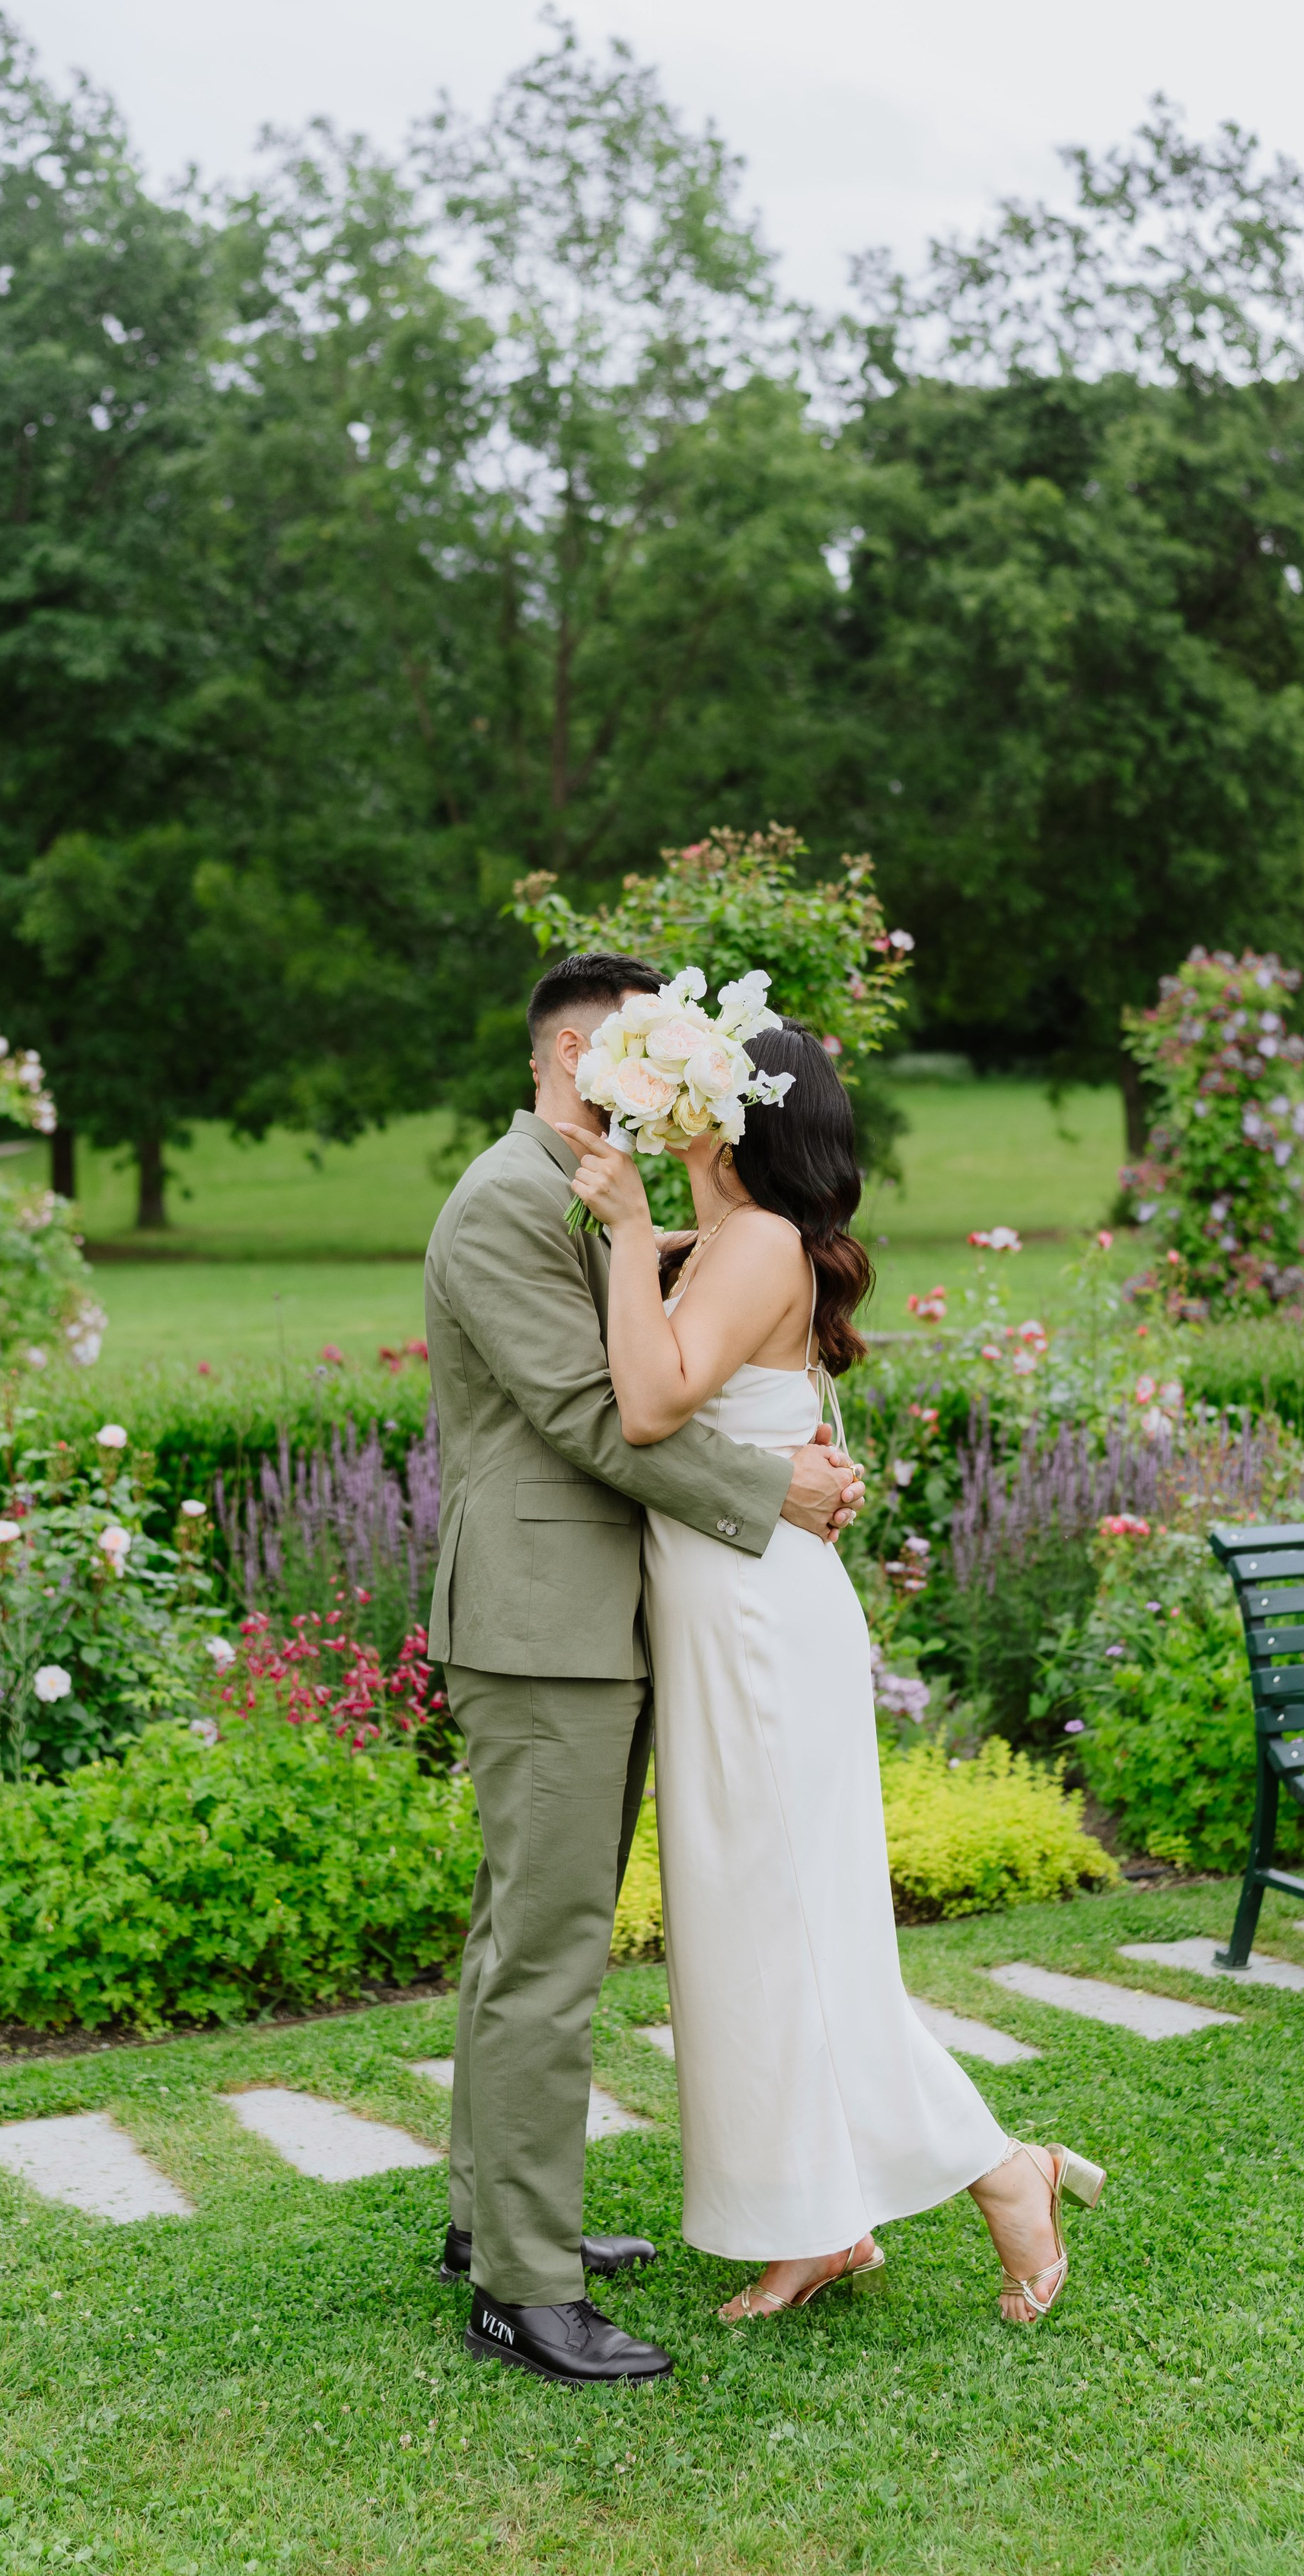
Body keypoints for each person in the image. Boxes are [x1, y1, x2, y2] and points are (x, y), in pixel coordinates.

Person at [556, 1018, 1104, 2326]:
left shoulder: (753, 1244)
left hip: (756, 1633)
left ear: (734, 1116)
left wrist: (633, 1235)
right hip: (726, 1623)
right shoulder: (734, 1243)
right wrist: (654, 1246)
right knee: (746, 1946)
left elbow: (647, 1407)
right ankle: (817, 2225)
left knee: (800, 1941)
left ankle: (1000, 2167)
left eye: (692, 1086)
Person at [423, 955, 867, 2388]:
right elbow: (590, 1417)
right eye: (649, 1055)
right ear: (574, 1056)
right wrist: (771, 1492)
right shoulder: (501, 1201)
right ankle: (523, 2289)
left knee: (524, 1942)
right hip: (541, 1624)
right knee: (544, 1956)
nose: (675, 1081)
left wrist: (675, 1253)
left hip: (593, 1620)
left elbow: (675, 1333)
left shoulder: (581, 1192)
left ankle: (496, 2226)